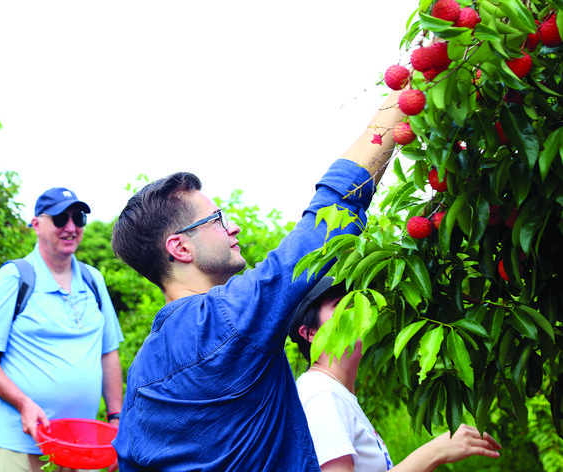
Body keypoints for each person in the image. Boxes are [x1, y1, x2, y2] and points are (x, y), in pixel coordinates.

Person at [109, 90, 406, 471]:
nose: (231, 227)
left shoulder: (142, 369)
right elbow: (323, 227)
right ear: (180, 248)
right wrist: (401, 101)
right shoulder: (223, 318)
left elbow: (129, 458)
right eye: (216, 220)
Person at [0, 187, 124, 472]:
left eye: (79, 218)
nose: (71, 227)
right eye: (61, 218)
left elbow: (108, 352)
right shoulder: (13, 279)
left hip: (81, 445)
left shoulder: (93, 280)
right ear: (36, 225)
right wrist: (24, 403)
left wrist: (116, 417)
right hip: (18, 443)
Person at [289, 276, 502, 472]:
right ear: (309, 333)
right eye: (340, 305)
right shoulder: (320, 394)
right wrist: (434, 452)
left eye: (354, 301)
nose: (355, 309)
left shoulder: (335, 393)